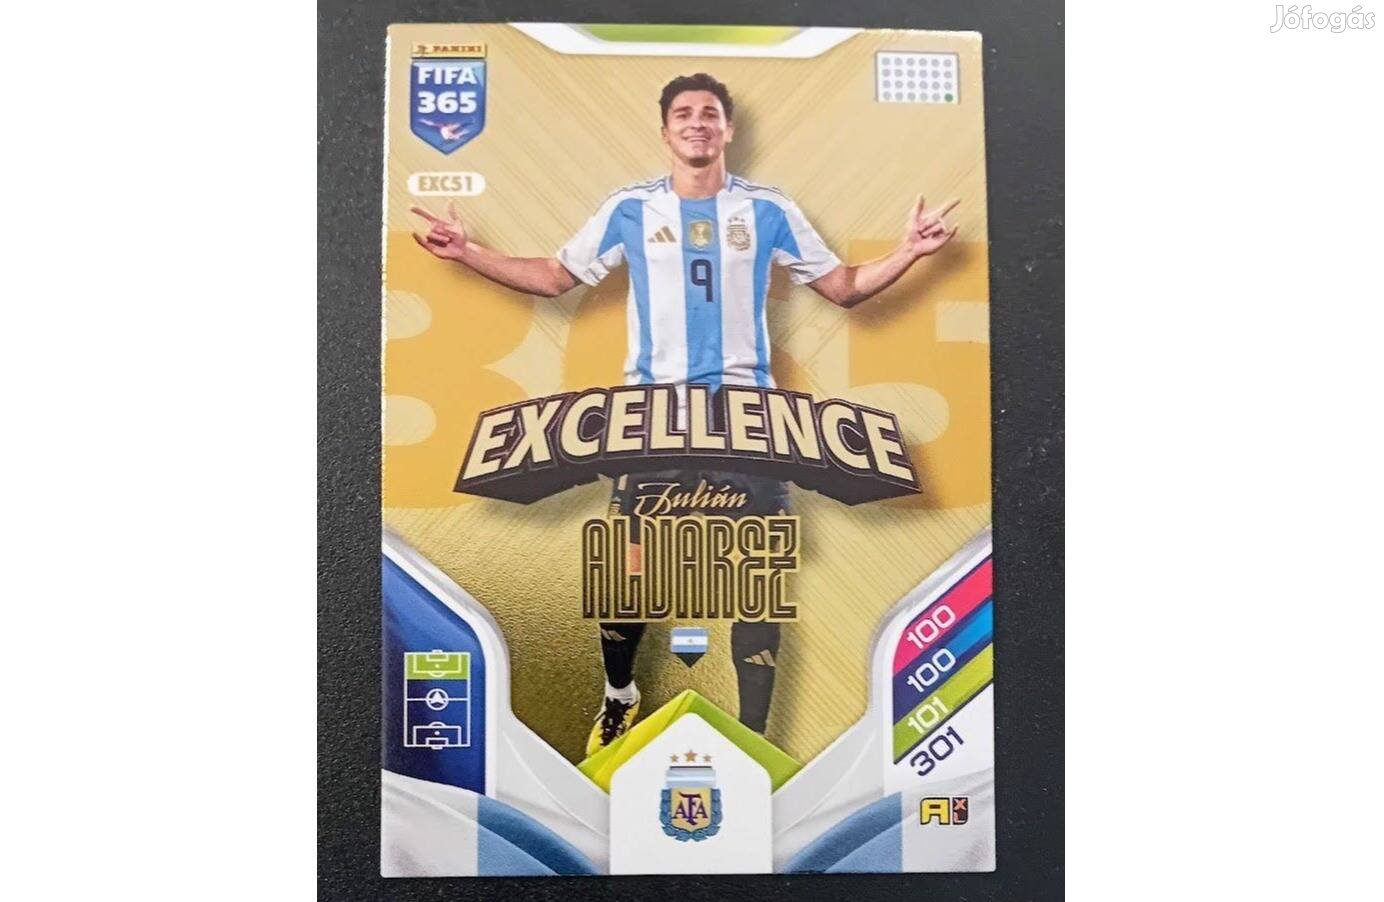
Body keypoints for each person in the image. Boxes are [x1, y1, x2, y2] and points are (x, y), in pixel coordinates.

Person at [412, 72, 960, 755]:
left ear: (728, 129)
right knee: (628, 576)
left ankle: (755, 739)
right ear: (666, 130)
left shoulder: (768, 209)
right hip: (654, 420)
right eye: (683, 113)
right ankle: (620, 695)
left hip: (749, 421)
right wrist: (466, 252)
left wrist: (909, 251)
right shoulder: (631, 208)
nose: (697, 122)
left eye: (708, 113)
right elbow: (555, 277)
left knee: (756, 582)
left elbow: (843, 287)